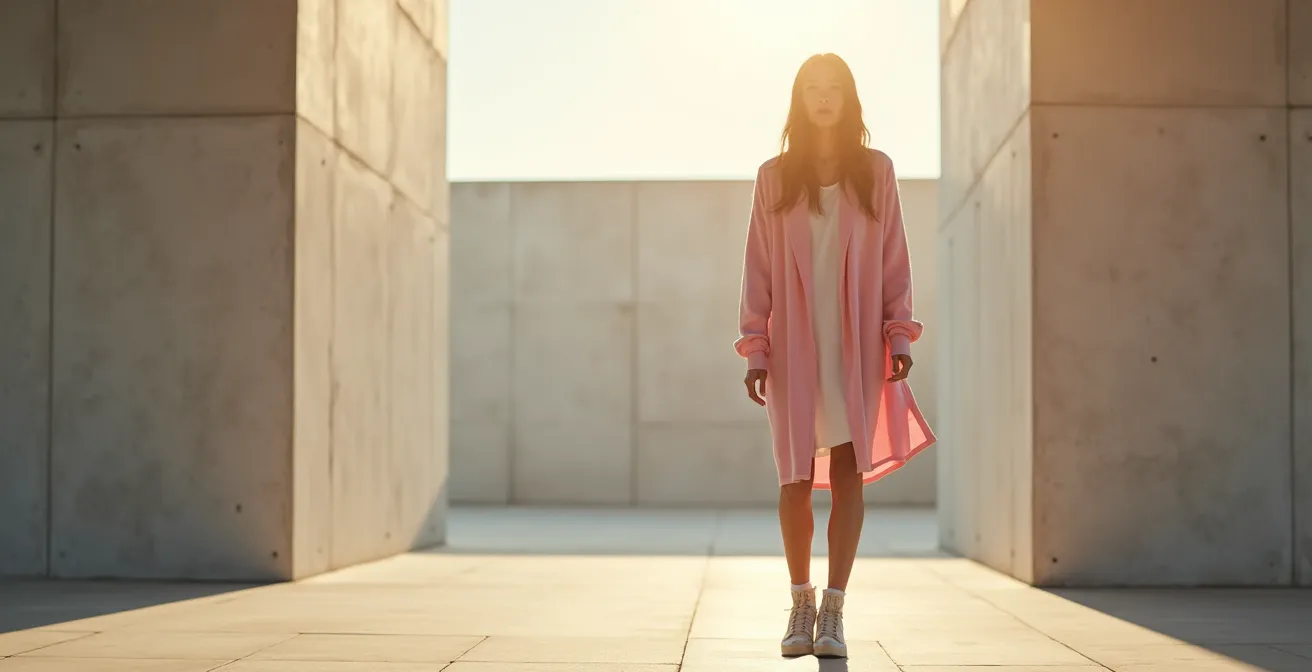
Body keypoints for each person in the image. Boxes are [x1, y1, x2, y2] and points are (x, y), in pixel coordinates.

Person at [734, 53, 936, 660]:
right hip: (794, 347)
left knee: (848, 475)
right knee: (794, 480)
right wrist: (756, 347)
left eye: (834, 89)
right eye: (812, 89)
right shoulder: (774, 176)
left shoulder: (876, 171)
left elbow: (896, 257)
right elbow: (757, 268)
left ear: (850, 99)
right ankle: (800, 599)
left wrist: (898, 335)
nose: (824, 98)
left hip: (855, 345)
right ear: (799, 100)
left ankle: (834, 611)